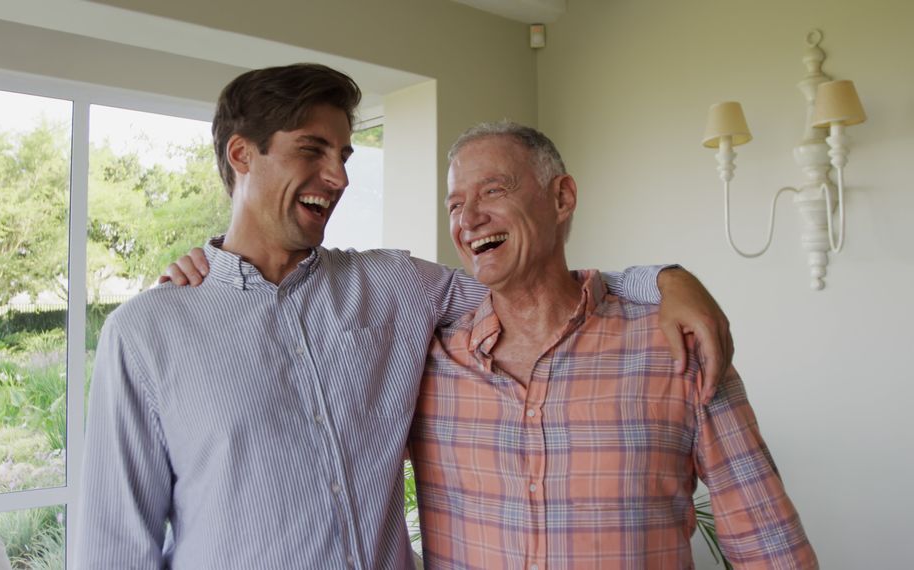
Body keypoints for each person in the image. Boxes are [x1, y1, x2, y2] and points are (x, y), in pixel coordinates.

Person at [78, 63, 732, 568]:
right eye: (313, 150)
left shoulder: (397, 285)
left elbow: (537, 293)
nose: (338, 176)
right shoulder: (148, 333)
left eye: (344, 155)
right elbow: (114, 545)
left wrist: (664, 279)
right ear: (242, 156)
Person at [408, 122, 817, 568]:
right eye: (455, 204)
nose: (468, 219)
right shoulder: (422, 365)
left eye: (492, 191)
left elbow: (769, 547)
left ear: (562, 198)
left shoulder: (676, 346)